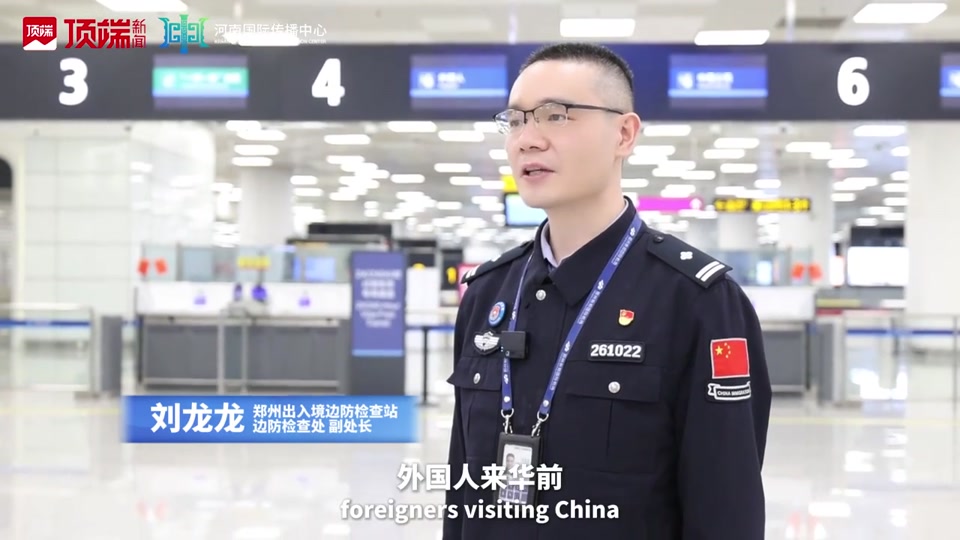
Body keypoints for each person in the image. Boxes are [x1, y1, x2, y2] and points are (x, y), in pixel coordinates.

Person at [443, 42, 771, 539]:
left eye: (556, 115)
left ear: (624, 134)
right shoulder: (489, 296)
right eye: (515, 120)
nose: (527, 139)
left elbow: (726, 509)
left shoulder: (697, 303)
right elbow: (462, 495)